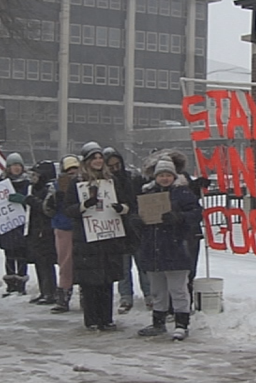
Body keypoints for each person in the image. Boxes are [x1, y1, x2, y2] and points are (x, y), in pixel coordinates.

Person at [62, 142, 131, 331]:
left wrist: (122, 208)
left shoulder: (112, 181)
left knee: (106, 281)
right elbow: (68, 209)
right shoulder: (77, 182)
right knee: (90, 283)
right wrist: (84, 205)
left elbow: (127, 202)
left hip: (108, 236)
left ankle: (106, 319)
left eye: (100, 157)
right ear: (87, 161)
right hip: (87, 239)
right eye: (94, 158)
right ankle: (92, 319)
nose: (98, 161)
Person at [133, 159, 201, 341]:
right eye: (161, 175)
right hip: (153, 247)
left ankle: (181, 324)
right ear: (155, 177)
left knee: (178, 289)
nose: (165, 178)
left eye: (168, 175)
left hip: (176, 246)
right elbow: (137, 214)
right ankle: (158, 322)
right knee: (157, 289)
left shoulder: (183, 193)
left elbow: (196, 213)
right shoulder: (148, 193)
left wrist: (179, 217)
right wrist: (137, 221)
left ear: (174, 176)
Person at [105, 147, 145, 314]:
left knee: (143, 264)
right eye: (111, 166)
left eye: (117, 165)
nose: (115, 169)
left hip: (135, 227)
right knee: (123, 266)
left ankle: (149, 294)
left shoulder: (132, 179)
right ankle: (125, 296)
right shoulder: (105, 183)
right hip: (116, 227)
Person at [22, 161, 59, 305]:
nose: (33, 178)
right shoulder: (34, 189)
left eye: (36, 175)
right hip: (36, 229)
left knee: (46, 262)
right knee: (39, 262)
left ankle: (50, 292)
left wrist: (32, 201)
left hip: (46, 231)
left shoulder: (49, 189)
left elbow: (47, 209)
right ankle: (44, 291)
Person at [46, 154, 80, 313]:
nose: (72, 172)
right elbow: (47, 209)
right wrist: (55, 199)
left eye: (75, 169)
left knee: (84, 263)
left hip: (82, 226)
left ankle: (86, 295)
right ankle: (63, 295)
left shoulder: (84, 183)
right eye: (69, 170)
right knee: (65, 263)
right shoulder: (55, 186)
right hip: (63, 226)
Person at [0, 153, 31, 296]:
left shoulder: (27, 183)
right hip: (6, 224)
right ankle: (11, 284)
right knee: (9, 254)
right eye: (14, 165)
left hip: (22, 224)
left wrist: (23, 200)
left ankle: (21, 284)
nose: (16, 168)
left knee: (22, 254)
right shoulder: (1, 183)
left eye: (19, 165)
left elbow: (31, 200)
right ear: (8, 167)